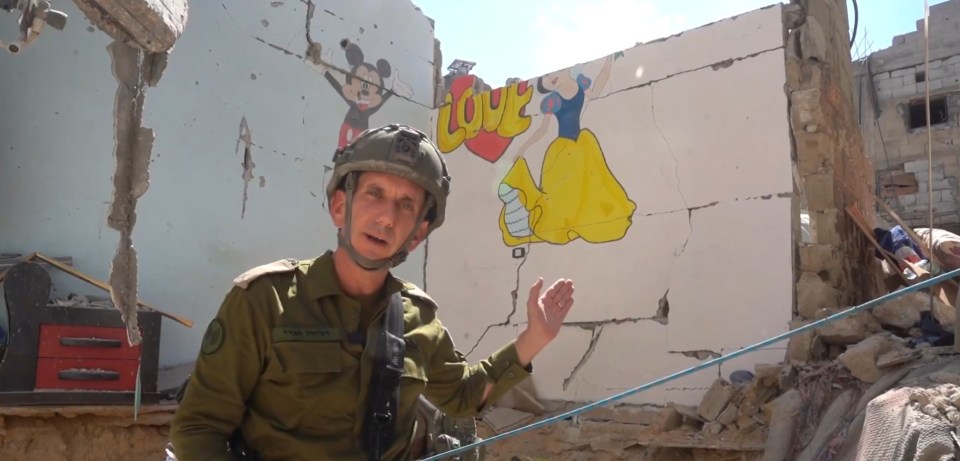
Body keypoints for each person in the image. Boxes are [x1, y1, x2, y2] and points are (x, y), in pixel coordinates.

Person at [169, 123, 575, 461]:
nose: (385, 217)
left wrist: (534, 338)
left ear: (416, 235)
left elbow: (463, 396)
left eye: (405, 205)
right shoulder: (264, 300)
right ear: (340, 208)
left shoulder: (419, 318)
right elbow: (199, 428)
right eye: (374, 194)